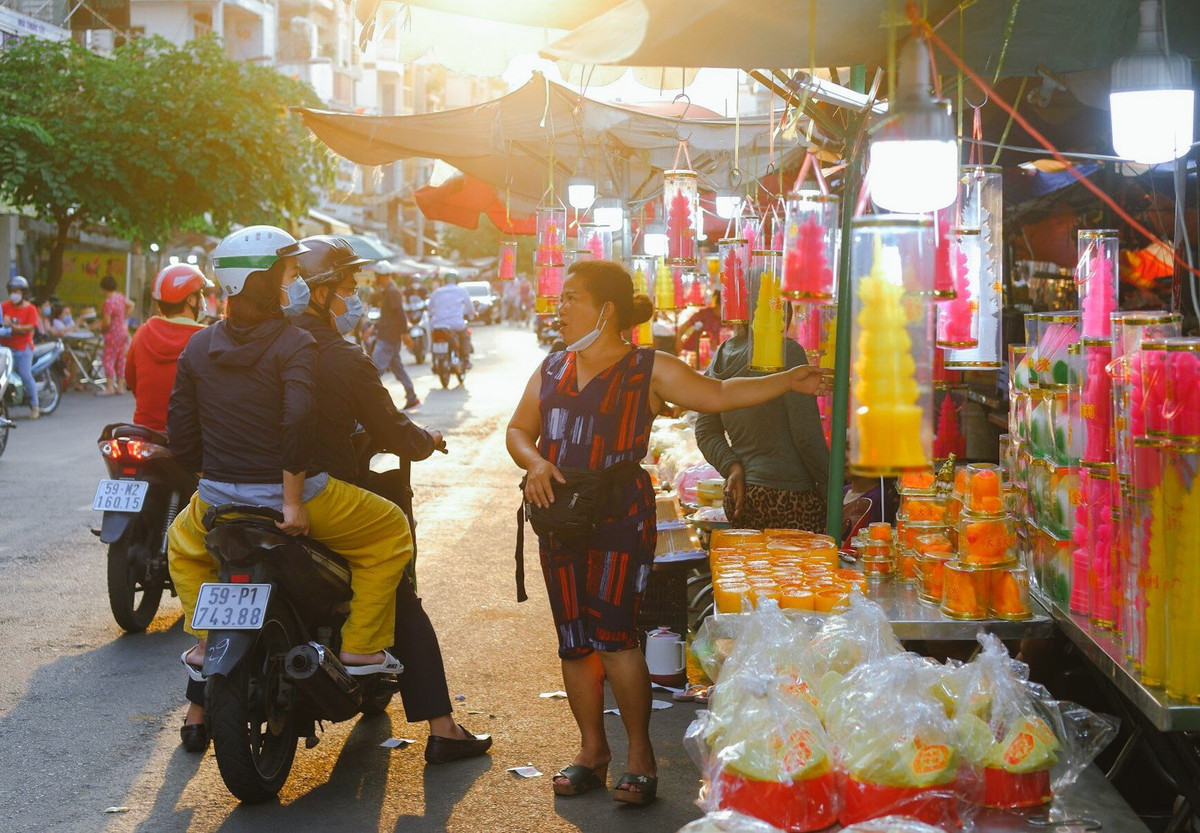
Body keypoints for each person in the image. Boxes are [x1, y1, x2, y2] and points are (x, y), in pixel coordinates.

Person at [505, 260, 831, 804]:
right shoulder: (552, 366)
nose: (558, 308)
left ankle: (639, 756)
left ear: (605, 310)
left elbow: (721, 395)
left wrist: (788, 381)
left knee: (613, 637)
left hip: (618, 515)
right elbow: (519, 429)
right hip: (559, 516)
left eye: (571, 298)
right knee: (572, 640)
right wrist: (535, 464)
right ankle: (591, 750)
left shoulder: (648, 367)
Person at [166, 225, 414, 753]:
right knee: (391, 529)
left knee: (182, 548)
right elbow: (297, 420)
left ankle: (206, 639)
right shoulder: (295, 342)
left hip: (218, 500)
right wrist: (293, 500)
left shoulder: (199, 344)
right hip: (294, 498)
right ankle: (364, 649)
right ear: (262, 279)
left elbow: (181, 438)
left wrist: (214, 483)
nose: (295, 282)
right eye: (290, 271)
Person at [292, 235, 492, 763]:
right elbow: (391, 427)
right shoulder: (339, 356)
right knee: (398, 577)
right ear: (324, 292)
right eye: (349, 287)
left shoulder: (258, 345)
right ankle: (443, 727)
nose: (355, 297)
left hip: (243, 491)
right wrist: (423, 440)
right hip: (327, 493)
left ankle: (197, 711)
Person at [695, 327, 831, 532]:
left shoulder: (722, 354)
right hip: (791, 498)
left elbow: (705, 431)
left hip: (741, 495)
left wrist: (732, 467)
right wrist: (831, 484)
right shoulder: (787, 351)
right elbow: (806, 436)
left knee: (750, 564)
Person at [124, 264, 209, 432]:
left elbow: (131, 380)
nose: (202, 300)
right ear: (191, 300)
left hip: (145, 432)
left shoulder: (143, 332)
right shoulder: (207, 339)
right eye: (200, 295)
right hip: (190, 435)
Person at [369, 261, 419, 409]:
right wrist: (373, 327)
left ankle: (374, 404)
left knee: (374, 371)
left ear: (381, 276)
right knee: (397, 368)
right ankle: (412, 396)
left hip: (388, 338)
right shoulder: (388, 291)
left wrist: (404, 334)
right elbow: (388, 316)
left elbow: (400, 314)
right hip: (388, 335)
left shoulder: (392, 291)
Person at [1, 276, 41, 418]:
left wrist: (12, 326)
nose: (14, 294)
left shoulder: (31, 309)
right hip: (5, 349)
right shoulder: (4, 306)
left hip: (22, 348)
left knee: (25, 375)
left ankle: (35, 406)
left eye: (17, 291)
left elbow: (29, 329)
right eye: (12, 291)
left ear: (23, 293)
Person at [426, 272, 474, 368]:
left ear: (444, 281)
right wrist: (472, 316)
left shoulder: (437, 292)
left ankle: (434, 361)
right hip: (456, 324)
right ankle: (466, 359)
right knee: (465, 336)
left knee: (433, 338)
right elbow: (470, 307)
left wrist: (431, 316)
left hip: (437, 325)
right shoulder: (461, 291)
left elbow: (430, 309)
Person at [97, 274, 133, 396]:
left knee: (108, 359)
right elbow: (131, 305)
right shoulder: (120, 297)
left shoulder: (108, 303)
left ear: (103, 288)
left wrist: (102, 330)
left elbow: (106, 322)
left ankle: (110, 387)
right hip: (123, 331)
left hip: (112, 333)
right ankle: (120, 387)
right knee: (120, 359)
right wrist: (124, 317)